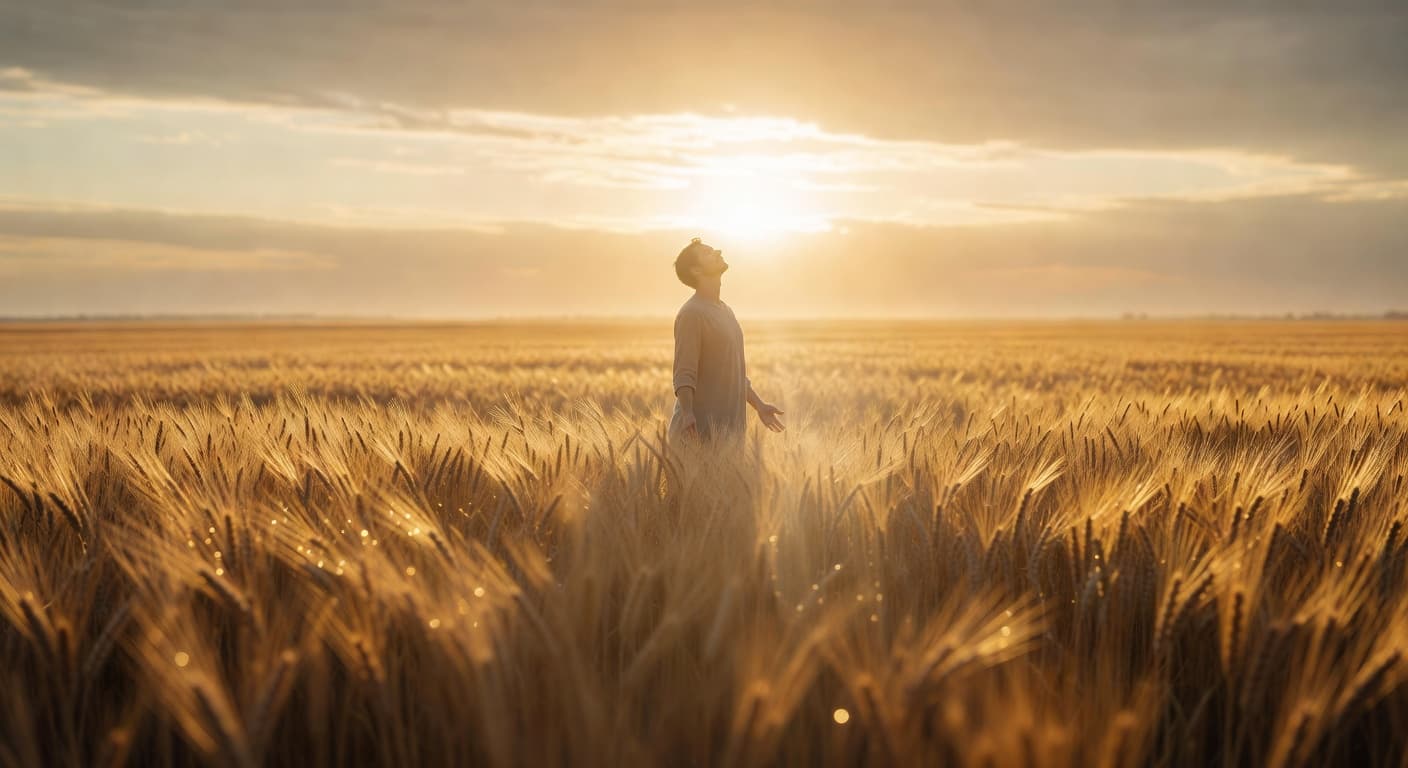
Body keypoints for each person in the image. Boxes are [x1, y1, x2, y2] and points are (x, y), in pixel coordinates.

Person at [669, 237, 786, 443]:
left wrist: (759, 405)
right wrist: (687, 414)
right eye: (708, 253)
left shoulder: (726, 311)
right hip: (697, 434)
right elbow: (684, 373)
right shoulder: (692, 314)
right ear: (696, 271)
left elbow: (733, 373)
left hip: (730, 436)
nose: (718, 251)